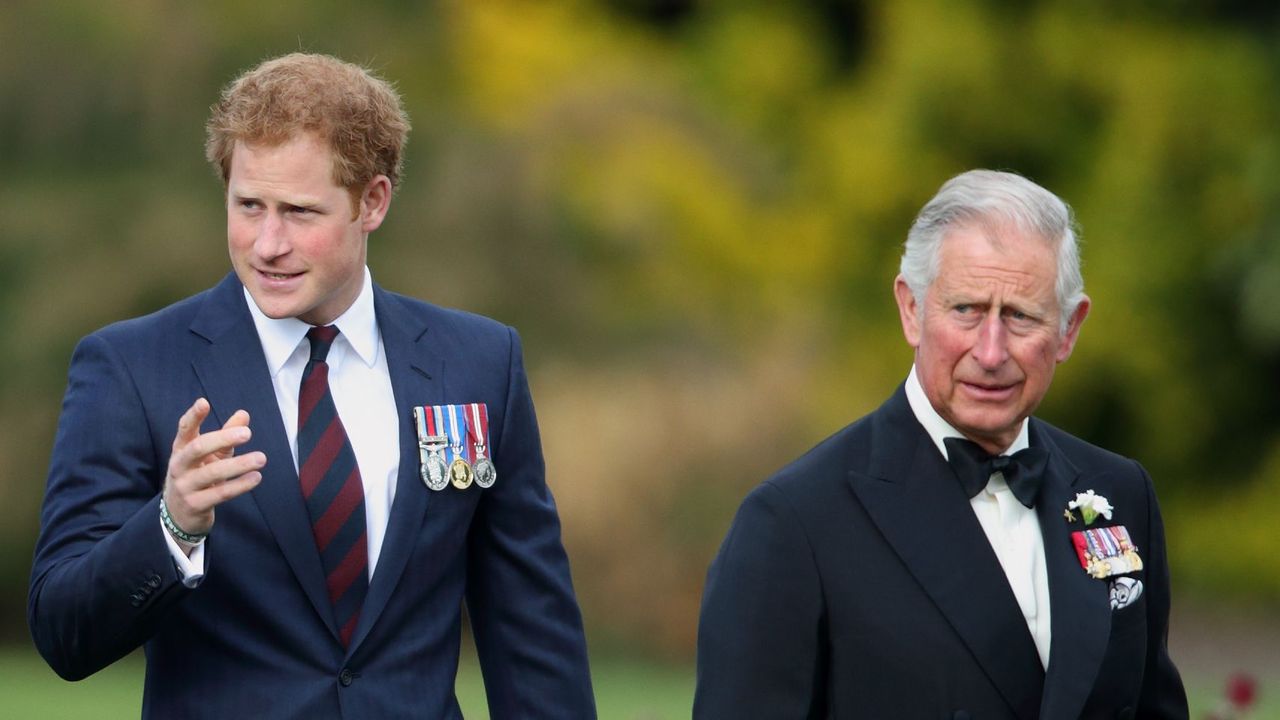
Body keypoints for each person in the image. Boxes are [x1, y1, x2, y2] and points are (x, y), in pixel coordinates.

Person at [29, 53, 595, 719]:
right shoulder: (130, 367)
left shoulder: (477, 362)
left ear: (373, 202)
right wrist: (172, 526)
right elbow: (64, 632)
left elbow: (532, 630)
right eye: (248, 206)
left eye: (299, 212)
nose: (267, 243)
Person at [694, 170, 1188, 719]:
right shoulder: (794, 521)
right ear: (912, 309)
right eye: (967, 310)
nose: (992, 350)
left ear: (1069, 329)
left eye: (1020, 316)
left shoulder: (1120, 493)